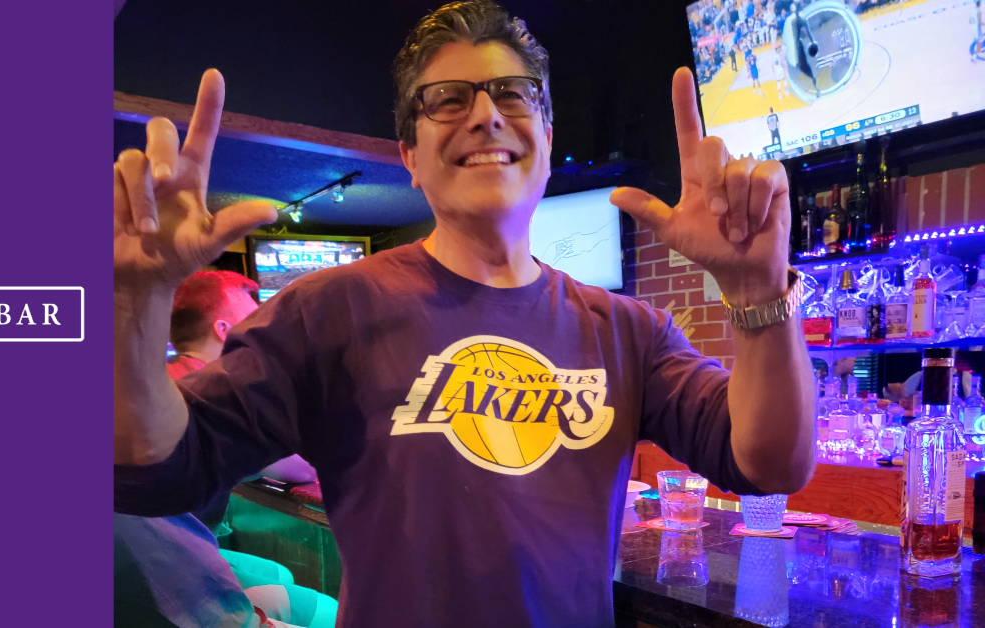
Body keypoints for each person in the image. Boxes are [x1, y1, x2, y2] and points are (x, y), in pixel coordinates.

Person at [113, 1, 815, 626]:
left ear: (546, 138)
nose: (486, 115)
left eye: (514, 93)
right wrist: (134, 308)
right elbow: (159, 468)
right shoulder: (328, 310)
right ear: (410, 156)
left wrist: (759, 294)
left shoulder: (627, 330)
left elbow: (770, 462)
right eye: (447, 99)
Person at [117, 272, 335, 628]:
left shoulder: (163, 383)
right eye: (256, 318)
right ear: (224, 330)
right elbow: (301, 469)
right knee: (329, 611)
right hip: (170, 579)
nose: (268, 331)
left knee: (277, 574)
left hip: (164, 564)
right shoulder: (212, 398)